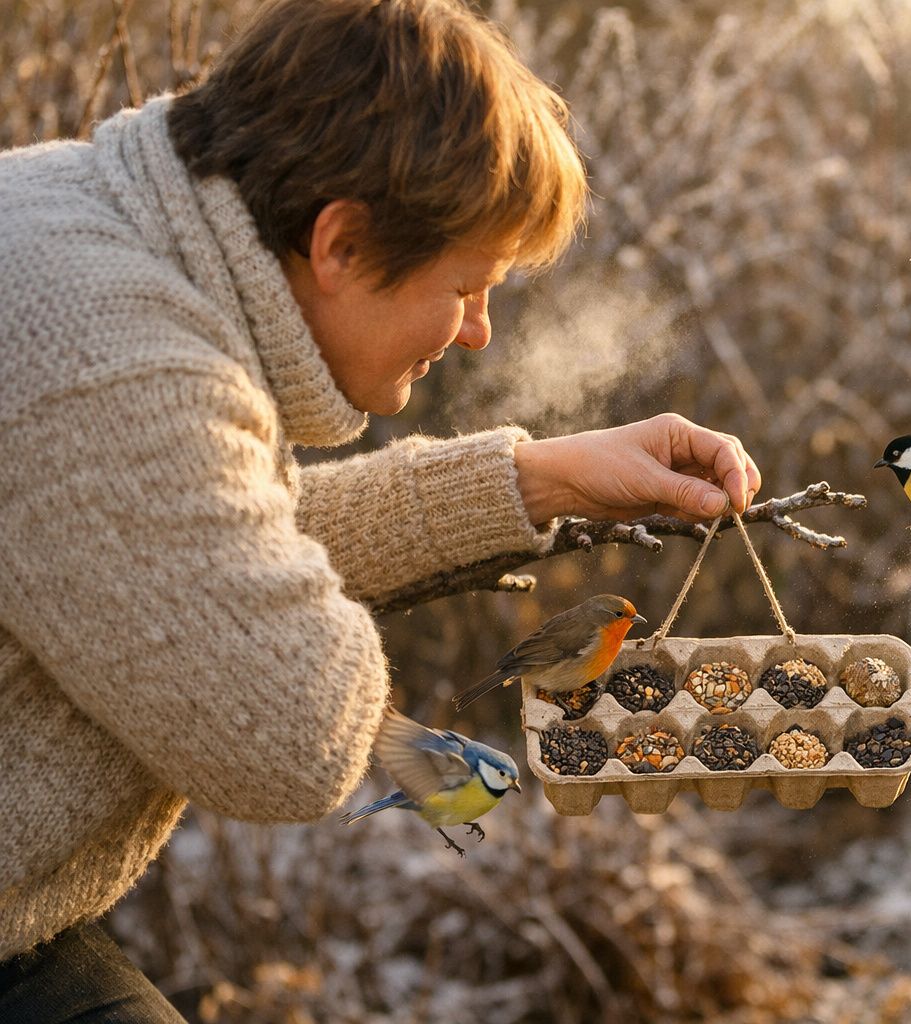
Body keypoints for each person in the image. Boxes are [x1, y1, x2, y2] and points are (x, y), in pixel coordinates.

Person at [0, 1, 760, 1019]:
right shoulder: (113, 361)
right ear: (343, 244)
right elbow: (290, 733)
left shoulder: (81, 223)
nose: (479, 332)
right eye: (468, 286)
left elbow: (183, 547)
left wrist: (534, 478)